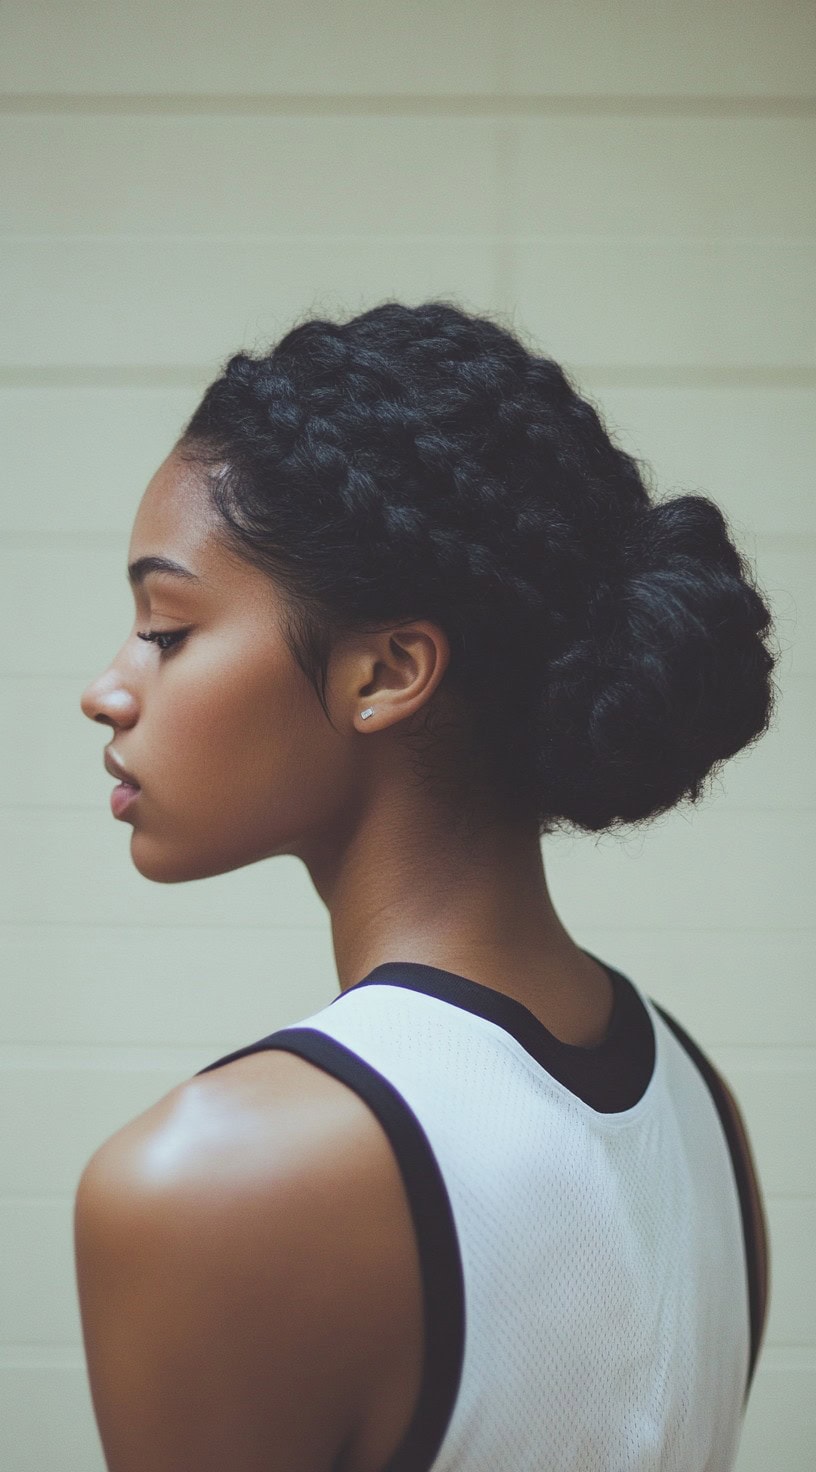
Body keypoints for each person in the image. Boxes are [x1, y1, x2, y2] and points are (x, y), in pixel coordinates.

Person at [77, 301, 774, 1472]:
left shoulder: (205, 1182)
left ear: (389, 670)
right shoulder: (701, 1109)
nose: (110, 686)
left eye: (166, 625)